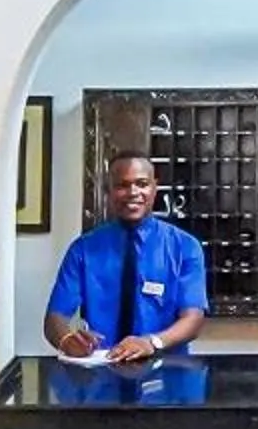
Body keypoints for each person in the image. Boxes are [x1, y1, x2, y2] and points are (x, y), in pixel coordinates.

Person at [46, 152, 207, 366]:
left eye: (142, 184)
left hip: (166, 371)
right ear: (109, 191)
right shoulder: (83, 249)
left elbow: (193, 319)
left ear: (154, 187)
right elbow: (54, 318)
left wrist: (152, 342)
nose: (133, 192)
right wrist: (67, 340)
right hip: (103, 372)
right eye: (122, 185)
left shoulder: (185, 247)